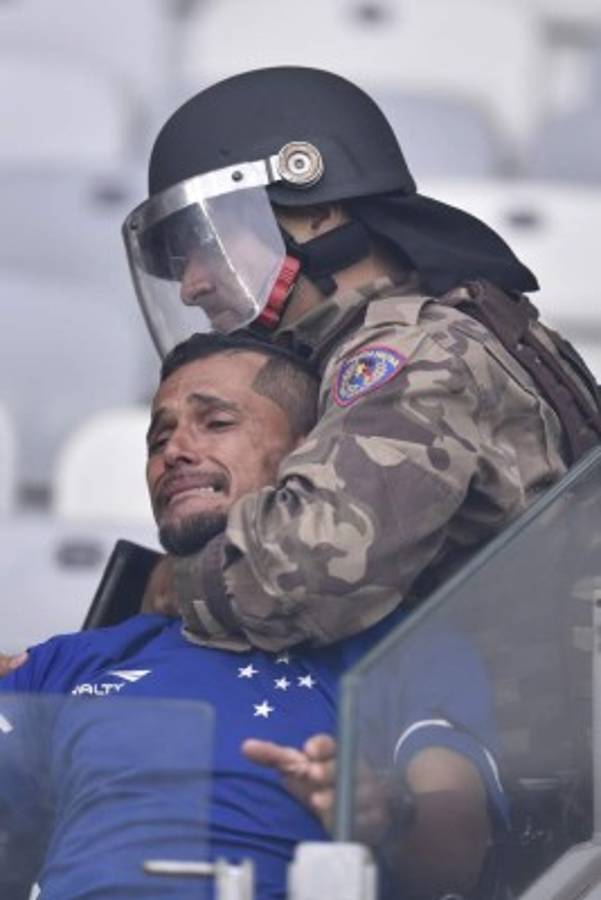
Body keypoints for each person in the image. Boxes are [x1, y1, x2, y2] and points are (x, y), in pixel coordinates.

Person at [0, 333, 507, 899]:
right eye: (159, 438)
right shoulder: (79, 660)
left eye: (216, 423)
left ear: (310, 455)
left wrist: (381, 815)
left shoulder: (405, 647)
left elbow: (458, 851)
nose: (174, 451)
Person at [121, 65, 601, 653]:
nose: (190, 285)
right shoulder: (413, 334)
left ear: (318, 212)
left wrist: (173, 586)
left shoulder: (416, 353)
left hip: (533, 711)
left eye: (209, 240)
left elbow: (308, 574)